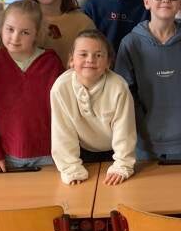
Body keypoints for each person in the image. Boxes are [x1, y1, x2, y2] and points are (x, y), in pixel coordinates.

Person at [114, 0, 181, 160]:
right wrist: (141, 120)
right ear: (146, 2)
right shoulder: (130, 43)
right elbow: (124, 92)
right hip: (142, 141)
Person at [0, 0, 63, 171]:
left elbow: (64, 110)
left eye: (25, 32)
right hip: (7, 156)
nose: (15, 37)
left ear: (36, 34)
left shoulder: (51, 64)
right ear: (1, 28)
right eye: (10, 29)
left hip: (51, 153)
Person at [51, 29, 137, 185]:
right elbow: (62, 133)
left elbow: (125, 131)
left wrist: (122, 165)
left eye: (98, 55)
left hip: (114, 150)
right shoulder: (60, 88)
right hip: (81, 151)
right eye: (83, 54)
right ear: (71, 60)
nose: (90, 60)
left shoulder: (118, 87)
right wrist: (71, 169)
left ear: (108, 63)